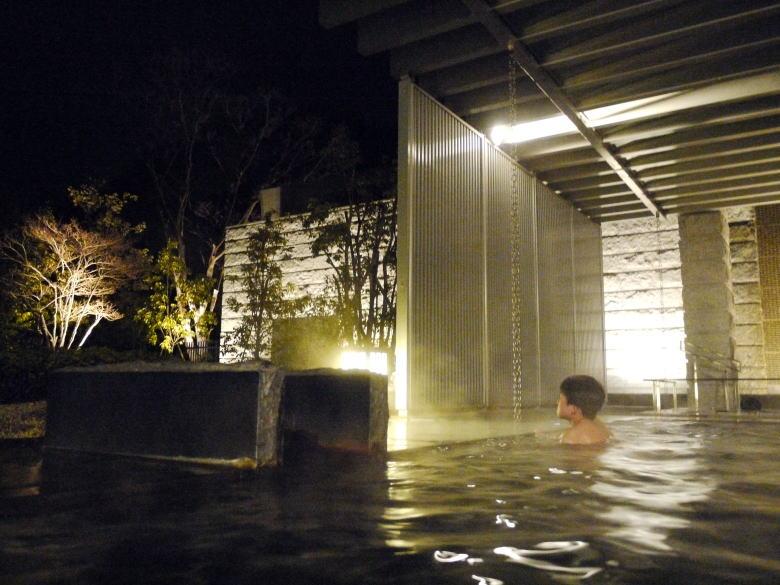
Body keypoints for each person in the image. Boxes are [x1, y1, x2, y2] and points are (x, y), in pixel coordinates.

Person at [556, 375, 610, 445]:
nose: (557, 402)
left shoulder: (572, 437)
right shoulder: (602, 430)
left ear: (573, 408)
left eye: (560, 399)